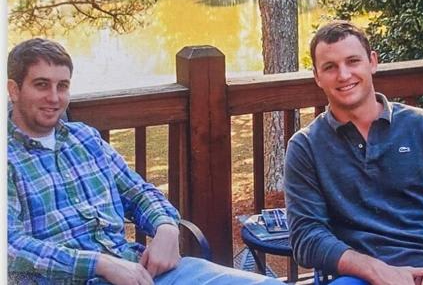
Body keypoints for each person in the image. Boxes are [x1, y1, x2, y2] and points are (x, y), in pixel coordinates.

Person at [7, 38, 280, 284]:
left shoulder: (84, 139)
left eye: (62, 86)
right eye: (41, 85)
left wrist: (166, 227)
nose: (54, 98)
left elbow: (139, 193)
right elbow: (10, 245)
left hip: (143, 273)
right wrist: (101, 264)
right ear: (14, 90)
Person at [284, 21, 423, 285]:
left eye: (353, 61)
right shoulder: (306, 147)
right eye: (330, 67)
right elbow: (307, 235)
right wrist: (376, 270)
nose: (343, 75)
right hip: (361, 278)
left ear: (372, 62)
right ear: (317, 76)